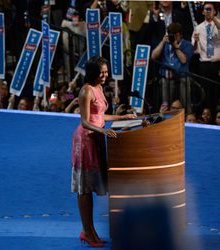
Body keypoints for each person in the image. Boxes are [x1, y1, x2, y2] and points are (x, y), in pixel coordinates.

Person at [71, 56, 136, 247]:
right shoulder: (86, 91)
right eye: (102, 72)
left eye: (106, 72)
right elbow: (84, 121)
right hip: (85, 140)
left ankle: (89, 231)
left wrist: (122, 116)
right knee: (84, 188)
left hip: (97, 138)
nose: (105, 75)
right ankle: (87, 232)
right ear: (93, 73)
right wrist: (103, 130)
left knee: (91, 186)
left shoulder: (99, 88)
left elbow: (100, 115)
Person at [151, 22, 193, 113]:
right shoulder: (166, 43)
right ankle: (165, 116)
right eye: (172, 36)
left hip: (182, 77)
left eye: (176, 36)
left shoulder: (187, 44)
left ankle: (188, 115)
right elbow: (153, 56)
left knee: (185, 94)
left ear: (181, 34)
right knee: (165, 102)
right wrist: (162, 42)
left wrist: (176, 47)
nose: (174, 38)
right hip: (167, 77)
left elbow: (184, 60)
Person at [191, 2, 220, 112]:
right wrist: (195, 42)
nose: (208, 11)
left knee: (217, 93)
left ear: (214, 11)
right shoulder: (198, 28)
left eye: (210, 9)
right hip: (204, 65)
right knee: (205, 94)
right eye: (206, 9)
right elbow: (194, 50)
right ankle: (206, 117)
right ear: (203, 11)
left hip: (217, 64)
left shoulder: (218, 24)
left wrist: (214, 19)